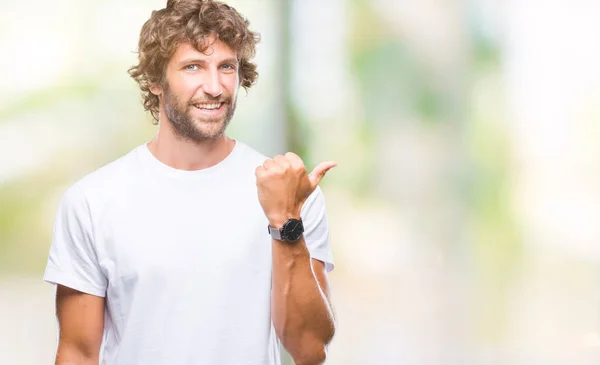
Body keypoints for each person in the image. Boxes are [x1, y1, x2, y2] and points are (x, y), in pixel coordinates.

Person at [43, 1, 337, 364]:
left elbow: (310, 350)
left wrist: (286, 222)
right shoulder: (93, 201)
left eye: (226, 67)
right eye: (193, 66)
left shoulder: (290, 194)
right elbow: (77, 352)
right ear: (155, 80)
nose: (214, 87)